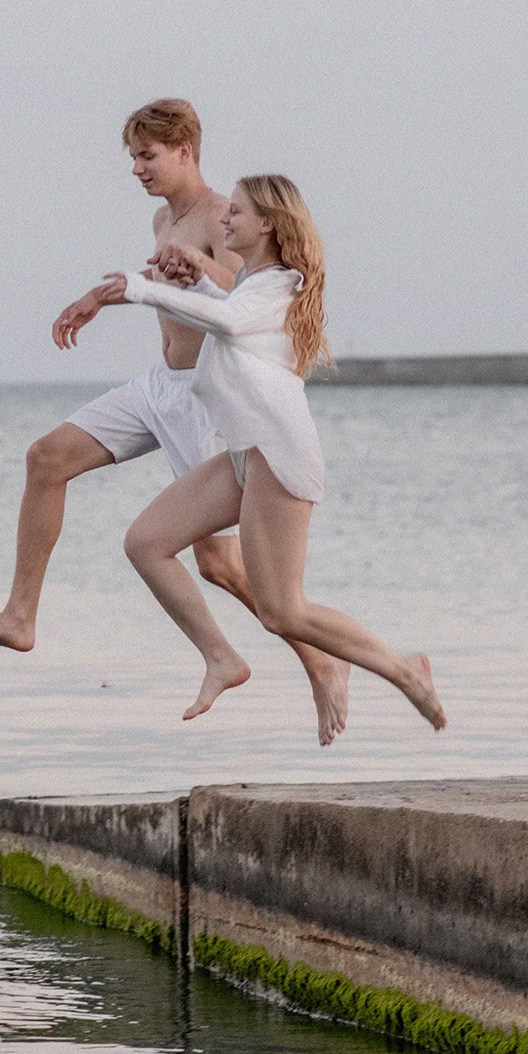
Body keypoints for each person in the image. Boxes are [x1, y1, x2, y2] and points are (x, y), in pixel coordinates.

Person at [0, 100, 354, 744]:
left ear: (185, 150)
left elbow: (248, 290)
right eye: (133, 156)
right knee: (47, 458)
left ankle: (313, 659)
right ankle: (20, 616)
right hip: (157, 387)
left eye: (147, 156)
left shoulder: (224, 214)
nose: (137, 169)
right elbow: (165, 273)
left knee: (219, 565)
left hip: (205, 399)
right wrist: (98, 296)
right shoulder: (165, 216)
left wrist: (196, 269)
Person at [88, 174, 447, 730]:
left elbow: (230, 323)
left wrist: (141, 289)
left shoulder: (280, 281)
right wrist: (194, 286)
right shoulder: (250, 286)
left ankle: (404, 669)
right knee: (147, 543)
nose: (224, 220)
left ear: (268, 224)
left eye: (235, 212)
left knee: (284, 610)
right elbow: (230, 319)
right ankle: (220, 658)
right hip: (244, 455)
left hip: (278, 456)